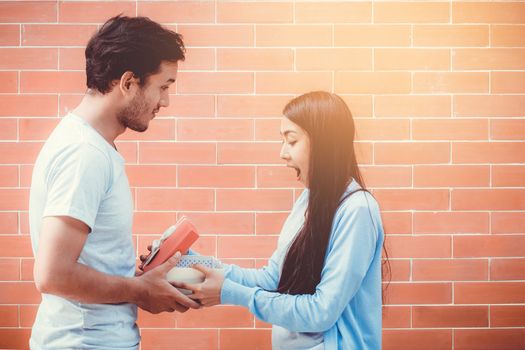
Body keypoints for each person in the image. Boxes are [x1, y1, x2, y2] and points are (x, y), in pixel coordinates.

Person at [28, 15, 200, 349]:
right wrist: (141, 291)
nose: (164, 102)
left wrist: (144, 277)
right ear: (128, 82)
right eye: (163, 86)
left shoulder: (92, 146)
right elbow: (53, 274)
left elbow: (83, 263)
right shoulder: (84, 154)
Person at [177, 91, 388, 350]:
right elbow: (273, 279)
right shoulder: (309, 200)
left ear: (324, 143)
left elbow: (321, 312)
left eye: (292, 141)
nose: (282, 153)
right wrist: (193, 264)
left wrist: (230, 292)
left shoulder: (357, 210)